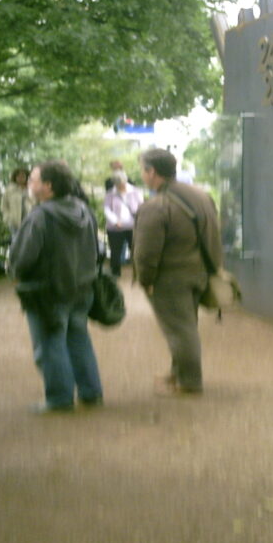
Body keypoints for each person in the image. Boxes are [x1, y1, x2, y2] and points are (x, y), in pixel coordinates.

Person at [9, 161, 103, 413]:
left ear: (48, 186)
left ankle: (60, 398)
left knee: (50, 345)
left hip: (48, 291)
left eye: (33, 180)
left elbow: (22, 258)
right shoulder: (84, 210)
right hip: (82, 288)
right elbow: (96, 248)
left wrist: (14, 272)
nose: (29, 183)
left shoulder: (40, 216)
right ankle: (91, 391)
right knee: (78, 338)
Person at [134, 148, 222, 395]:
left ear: (152, 172)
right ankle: (177, 373)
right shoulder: (200, 196)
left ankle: (190, 382)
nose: (142, 174)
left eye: (143, 169)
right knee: (185, 326)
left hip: (170, 279)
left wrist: (146, 280)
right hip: (198, 272)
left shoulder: (157, 206)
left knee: (181, 331)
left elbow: (145, 253)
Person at [104, 169, 143, 276]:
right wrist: (115, 221)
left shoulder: (135, 192)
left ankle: (139, 272)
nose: (120, 186)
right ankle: (115, 272)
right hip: (115, 228)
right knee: (115, 251)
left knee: (135, 250)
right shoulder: (110, 193)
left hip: (132, 226)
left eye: (122, 183)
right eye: (118, 184)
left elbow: (141, 206)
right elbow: (107, 209)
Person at [0, 167, 31, 241]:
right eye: (18, 176)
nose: (21, 178)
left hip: (30, 221)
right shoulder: (10, 190)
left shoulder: (31, 189)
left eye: (23, 176)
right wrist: (8, 218)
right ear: (15, 177)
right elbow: (3, 206)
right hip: (14, 222)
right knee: (16, 241)